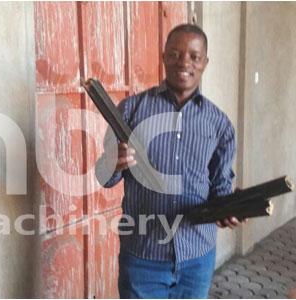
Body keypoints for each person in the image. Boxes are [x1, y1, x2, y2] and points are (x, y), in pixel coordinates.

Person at [96, 24, 241, 299]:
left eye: (194, 56)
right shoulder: (130, 110)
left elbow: (221, 186)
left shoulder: (218, 124)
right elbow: (104, 175)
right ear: (163, 57)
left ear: (205, 63)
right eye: (175, 54)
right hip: (143, 256)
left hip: (196, 257)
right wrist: (115, 164)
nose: (184, 62)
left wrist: (230, 209)